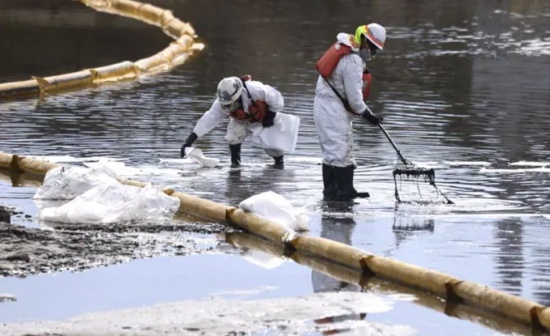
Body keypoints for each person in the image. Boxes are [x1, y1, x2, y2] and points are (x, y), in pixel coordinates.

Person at [314, 23, 386, 201]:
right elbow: (354, 98)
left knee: (332, 152)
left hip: (325, 106)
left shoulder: (345, 51)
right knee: (341, 150)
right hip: (332, 109)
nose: (373, 53)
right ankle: (345, 192)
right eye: (373, 48)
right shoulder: (352, 60)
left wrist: (365, 112)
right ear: (365, 41)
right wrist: (369, 116)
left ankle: (331, 191)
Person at [180, 75, 286, 167]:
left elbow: (277, 99)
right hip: (241, 120)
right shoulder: (221, 103)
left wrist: (270, 115)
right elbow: (208, 119)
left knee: (273, 147)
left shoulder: (256, 90)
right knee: (233, 136)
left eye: (231, 103)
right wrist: (189, 140)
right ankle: (235, 164)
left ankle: (279, 164)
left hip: (264, 118)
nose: (229, 106)